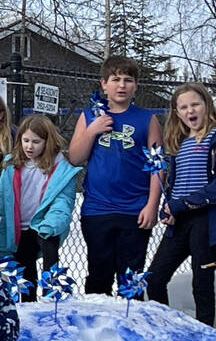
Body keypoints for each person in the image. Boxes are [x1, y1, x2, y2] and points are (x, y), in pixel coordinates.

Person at [64, 56, 163, 295]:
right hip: (98, 209)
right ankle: (97, 327)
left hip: (135, 209)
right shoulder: (89, 116)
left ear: (136, 85)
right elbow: (75, 158)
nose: (121, 85)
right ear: (103, 83)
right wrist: (92, 131)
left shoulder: (147, 119)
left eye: (128, 80)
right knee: (99, 273)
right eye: (115, 79)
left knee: (131, 277)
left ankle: (129, 325)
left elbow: (158, 165)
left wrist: (152, 204)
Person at [145, 84, 216, 326]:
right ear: (176, 112)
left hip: (206, 220)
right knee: (154, 278)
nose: (189, 111)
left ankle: (205, 332)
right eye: (183, 107)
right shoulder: (179, 143)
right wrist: (169, 206)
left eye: (195, 104)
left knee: (202, 282)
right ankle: (165, 326)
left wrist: (182, 204)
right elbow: (175, 182)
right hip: (179, 220)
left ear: (206, 105)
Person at [0, 114, 78, 301]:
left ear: (47, 142)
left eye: (36, 142)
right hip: (19, 228)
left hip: (42, 225)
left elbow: (62, 202)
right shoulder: (11, 165)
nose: (29, 146)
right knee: (25, 270)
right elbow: (2, 199)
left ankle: (50, 293)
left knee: (49, 245)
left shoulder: (60, 168)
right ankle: (27, 306)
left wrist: (51, 223)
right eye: (26, 140)